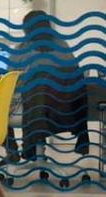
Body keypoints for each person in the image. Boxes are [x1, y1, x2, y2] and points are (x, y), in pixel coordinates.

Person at [5, 10, 88, 162]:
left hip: (34, 112)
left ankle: (12, 152)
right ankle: (35, 151)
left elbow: (9, 79)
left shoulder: (23, 48)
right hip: (65, 111)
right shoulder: (63, 45)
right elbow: (76, 75)